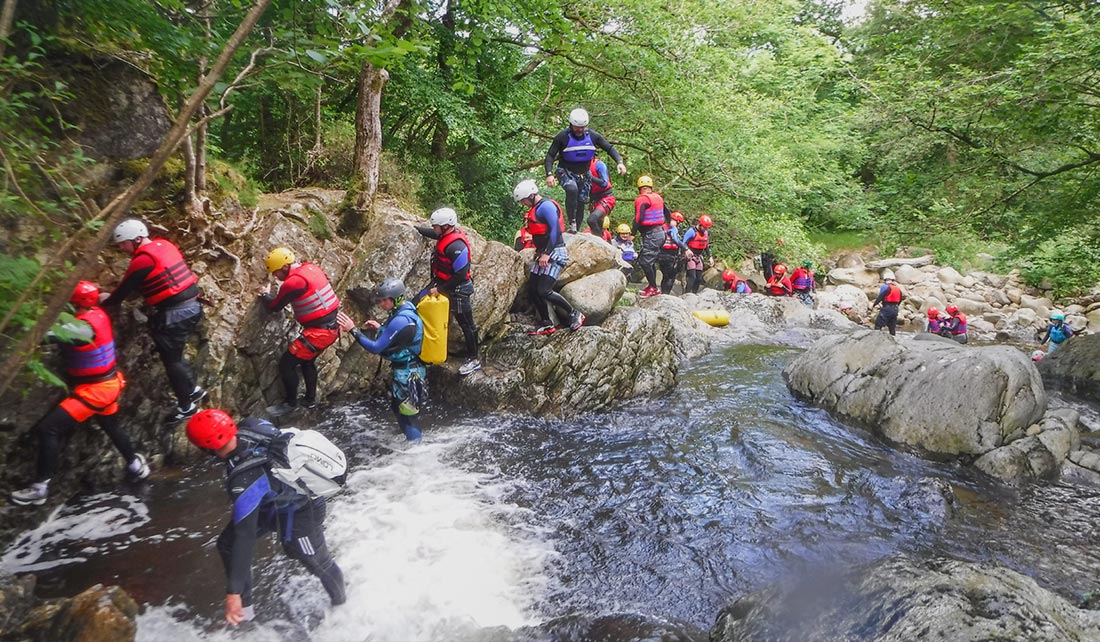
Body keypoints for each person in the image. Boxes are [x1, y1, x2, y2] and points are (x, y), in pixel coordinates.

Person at [185, 409, 346, 625]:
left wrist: (232, 593)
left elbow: (246, 536)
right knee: (228, 544)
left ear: (206, 448)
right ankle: (247, 612)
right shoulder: (252, 425)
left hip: (302, 509)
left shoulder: (243, 482)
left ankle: (342, 604)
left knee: (315, 560)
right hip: (272, 502)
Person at [11, 281, 149, 506]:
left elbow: (47, 335)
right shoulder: (98, 314)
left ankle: (40, 488)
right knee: (110, 425)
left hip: (95, 391)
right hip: (110, 384)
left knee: (49, 429)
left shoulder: (82, 328)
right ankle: (135, 464)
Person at [101, 219, 205, 424]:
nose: (122, 248)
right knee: (176, 353)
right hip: (193, 307)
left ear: (137, 239)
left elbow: (121, 294)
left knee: (172, 360)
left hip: (176, 314)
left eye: (124, 243)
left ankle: (186, 407)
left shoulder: (142, 261)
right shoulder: (165, 245)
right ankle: (193, 390)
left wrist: (104, 299)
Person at [338, 278, 427, 441]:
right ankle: (411, 440)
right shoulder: (404, 309)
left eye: (384, 300)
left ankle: (417, 449)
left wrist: (352, 330)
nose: (380, 303)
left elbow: (376, 348)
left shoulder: (401, 319)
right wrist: (381, 328)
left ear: (396, 298)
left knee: (408, 414)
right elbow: (401, 336)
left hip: (409, 373)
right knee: (397, 406)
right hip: (407, 370)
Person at [260, 248, 341, 416]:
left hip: (319, 333)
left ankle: (290, 404)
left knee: (286, 364)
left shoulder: (293, 283)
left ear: (284, 267)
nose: (275, 277)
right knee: (307, 361)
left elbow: (275, 306)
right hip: (331, 328)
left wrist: (265, 295)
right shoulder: (311, 267)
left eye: (275, 272)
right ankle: (310, 400)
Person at [512, 179, 585, 335]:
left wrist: (546, 253)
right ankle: (546, 323)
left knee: (544, 290)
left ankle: (574, 313)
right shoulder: (536, 207)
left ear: (531, 196)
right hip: (543, 253)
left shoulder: (546, 207)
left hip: (555, 252)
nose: (523, 203)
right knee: (533, 289)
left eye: (524, 200)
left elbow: (555, 230)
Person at [414, 207, 481, 375]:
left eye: (437, 225)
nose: (435, 228)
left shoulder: (457, 246)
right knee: (416, 303)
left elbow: (461, 274)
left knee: (466, 324)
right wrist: (415, 228)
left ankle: (474, 359)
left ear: (446, 226)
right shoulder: (444, 234)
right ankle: (421, 348)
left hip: (458, 288)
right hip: (441, 282)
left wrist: (440, 289)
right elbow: (433, 233)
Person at [544, 107, 627, 234]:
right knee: (572, 189)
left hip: (584, 174)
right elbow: (550, 156)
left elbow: (609, 148)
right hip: (565, 171)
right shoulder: (562, 137)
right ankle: (571, 221)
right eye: (577, 127)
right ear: (571, 125)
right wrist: (549, 174)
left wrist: (620, 162)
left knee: (581, 201)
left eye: (582, 127)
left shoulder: (593, 136)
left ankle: (575, 228)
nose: (580, 130)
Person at [632, 175, 667, 298]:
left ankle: (653, 288)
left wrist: (632, 234)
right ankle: (652, 286)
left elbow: (639, 218)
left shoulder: (642, 199)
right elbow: (667, 213)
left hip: (652, 234)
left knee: (644, 262)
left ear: (639, 188)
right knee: (648, 260)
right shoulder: (658, 197)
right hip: (660, 233)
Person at [681, 215, 713, 294]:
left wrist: (710, 257)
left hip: (699, 257)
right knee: (692, 277)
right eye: (705, 227)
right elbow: (683, 243)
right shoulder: (691, 231)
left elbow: (706, 246)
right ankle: (687, 293)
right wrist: (687, 250)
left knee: (698, 278)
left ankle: (694, 293)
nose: (706, 229)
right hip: (690, 257)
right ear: (700, 224)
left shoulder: (705, 233)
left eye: (707, 228)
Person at [586, 155, 617, 237]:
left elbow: (604, 183)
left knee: (592, 220)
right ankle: (600, 241)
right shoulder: (580, 167)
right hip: (594, 200)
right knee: (597, 224)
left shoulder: (599, 164)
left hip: (606, 197)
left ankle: (599, 243)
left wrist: (591, 177)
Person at [657, 211, 687, 295]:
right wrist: (685, 248)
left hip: (662, 254)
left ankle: (664, 293)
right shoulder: (672, 229)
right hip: (668, 255)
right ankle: (666, 294)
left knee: (665, 276)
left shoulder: (661, 227)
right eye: (678, 222)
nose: (678, 225)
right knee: (670, 277)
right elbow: (676, 240)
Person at [871, 270, 904, 336]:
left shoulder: (885, 287)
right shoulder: (898, 289)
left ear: (885, 280)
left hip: (887, 309)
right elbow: (900, 300)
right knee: (892, 328)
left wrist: (874, 305)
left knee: (878, 325)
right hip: (895, 309)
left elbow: (880, 297)